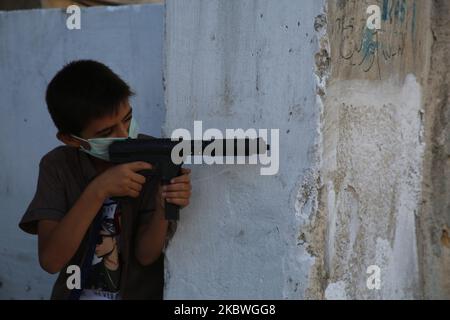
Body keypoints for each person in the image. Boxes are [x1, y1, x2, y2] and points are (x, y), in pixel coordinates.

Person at [19, 60, 192, 300]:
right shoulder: (58, 166)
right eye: (106, 133)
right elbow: (51, 261)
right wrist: (98, 190)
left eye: (127, 119)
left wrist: (163, 207)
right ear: (71, 140)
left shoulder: (151, 157)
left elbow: (146, 255)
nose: (124, 136)